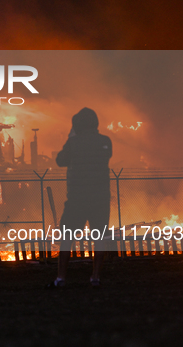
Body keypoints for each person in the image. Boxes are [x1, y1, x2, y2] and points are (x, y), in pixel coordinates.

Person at [48, 107, 112, 288]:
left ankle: (61, 278)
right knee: (99, 238)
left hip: (77, 197)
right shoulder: (105, 141)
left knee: (67, 237)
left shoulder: (73, 143)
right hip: (100, 198)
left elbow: (61, 160)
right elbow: (106, 156)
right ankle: (95, 277)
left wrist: (71, 138)